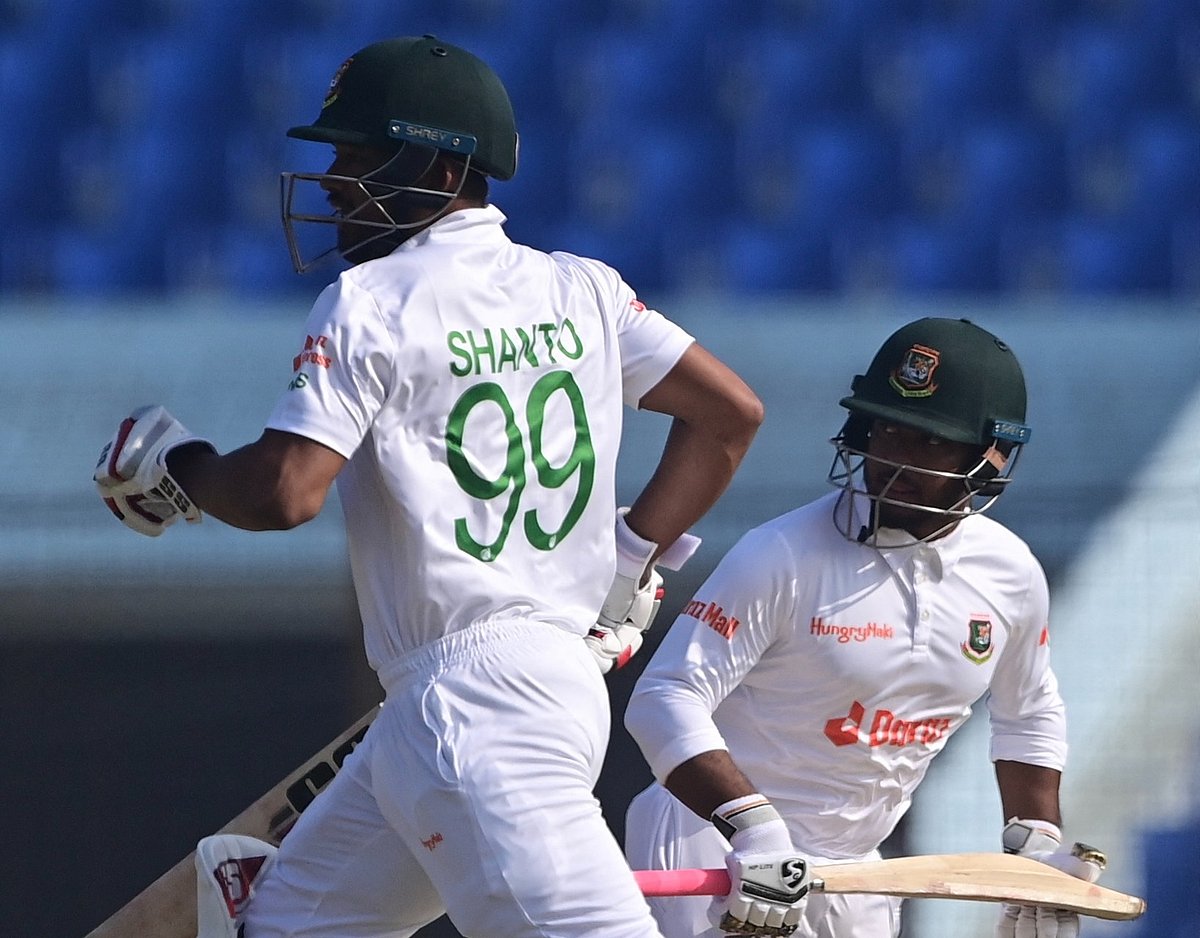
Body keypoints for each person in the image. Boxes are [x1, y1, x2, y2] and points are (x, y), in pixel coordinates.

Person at [93, 35, 764, 938]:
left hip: (472, 711)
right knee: (290, 927)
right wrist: (632, 558)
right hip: (519, 694)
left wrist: (183, 472)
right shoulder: (586, 290)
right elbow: (730, 417)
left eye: (355, 153)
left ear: (439, 164)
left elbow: (285, 491)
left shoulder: (373, 298)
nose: (331, 178)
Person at [623, 317, 1106, 938]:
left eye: (929, 442)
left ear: (992, 456)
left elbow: (1030, 710)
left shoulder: (1011, 573)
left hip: (859, 872)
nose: (894, 462)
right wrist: (756, 828)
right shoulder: (781, 555)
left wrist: (1034, 847)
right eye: (886, 430)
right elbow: (663, 697)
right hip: (714, 843)